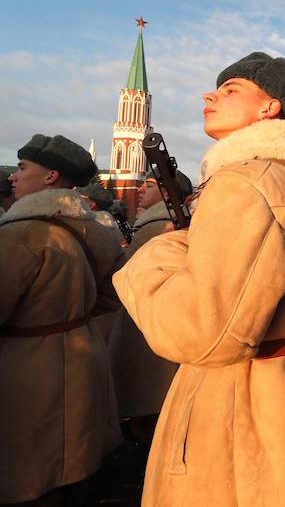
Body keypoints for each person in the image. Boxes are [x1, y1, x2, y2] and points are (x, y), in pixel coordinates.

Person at [112, 53, 285, 506]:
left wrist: (158, 254)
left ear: (269, 107)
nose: (209, 95)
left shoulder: (244, 183)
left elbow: (205, 331)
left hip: (244, 403)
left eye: (231, 89)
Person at [0, 134, 124, 505]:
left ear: (51, 177)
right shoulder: (97, 232)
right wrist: (73, 317)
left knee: (31, 473)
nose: (13, 178)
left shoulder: (20, 234)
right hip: (86, 357)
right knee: (74, 466)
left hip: (28, 370)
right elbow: (112, 296)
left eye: (23, 168)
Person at [109, 171, 193, 442]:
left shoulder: (156, 227)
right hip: (155, 324)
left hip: (149, 325)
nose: (141, 190)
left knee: (150, 394)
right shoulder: (157, 223)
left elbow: (129, 274)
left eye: (149, 185)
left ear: (167, 193)